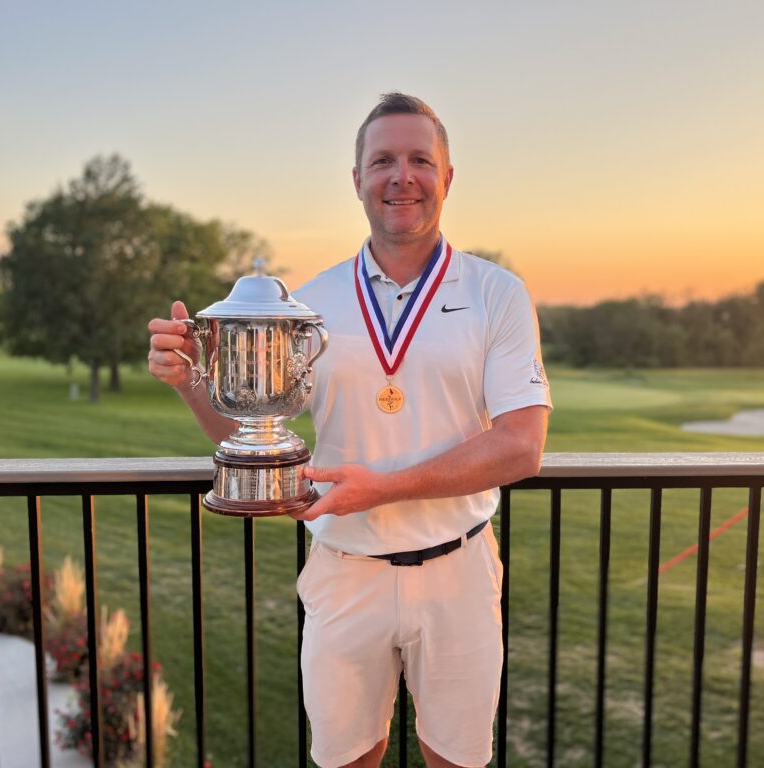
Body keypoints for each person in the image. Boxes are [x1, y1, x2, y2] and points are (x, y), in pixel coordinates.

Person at [148, 93, 551, 768]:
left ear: (447, 177)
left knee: (458, 762)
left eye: (421, 159)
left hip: (459, 571)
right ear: (357, 179)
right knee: (345, 762)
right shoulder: (311, 303)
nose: (402, 176)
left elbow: (522, 444)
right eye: (383, 160)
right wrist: (192, 377)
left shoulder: (496, 293)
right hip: (344, 573)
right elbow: (252, 429)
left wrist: (383, 489)